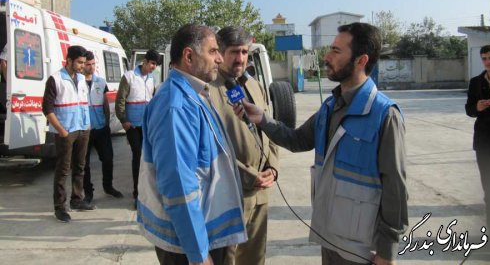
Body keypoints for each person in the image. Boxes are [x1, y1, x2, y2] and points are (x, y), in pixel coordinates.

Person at [234, 23, 408, 265]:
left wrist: (387, 252)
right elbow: (296, 140)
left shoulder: (384, 115)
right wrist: (262, 119)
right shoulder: (330, 107)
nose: (327, 57)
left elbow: (395, 189)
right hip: (329, 237)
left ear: (361, 60)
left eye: (336, 51)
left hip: (362, 247)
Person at [137, 24, 246, 265]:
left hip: (204, 231)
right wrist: (198, 254)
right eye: (213, 51)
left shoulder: (194, 93)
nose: (220, 58)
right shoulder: (175, 106)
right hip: (186, 244)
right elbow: (178, 187)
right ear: (189, 56)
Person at [210, 26, 279, 265]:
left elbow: (269, 130)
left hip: (262, 189)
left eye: (244, 52)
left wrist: (273, 167)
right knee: (230, 257)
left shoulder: (254, 86)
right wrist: (249, 175)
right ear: (219, 53)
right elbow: (212, 148)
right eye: (233, 52)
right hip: (232, 192)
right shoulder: (209, 91)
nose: (240, 58)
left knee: (254, 256)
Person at [42, 45, 96, 223]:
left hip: (82, 129)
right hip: (66, 132)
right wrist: (62, 131)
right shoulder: (55, 79)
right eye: (79, 62)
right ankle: (59, 207)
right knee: (63, 169)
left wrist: (87, 126)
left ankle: (77, 200)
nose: (82, 66)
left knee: (80, 167)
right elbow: (47, 109)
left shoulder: (81, 79)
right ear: (70, 61)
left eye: (84, 62)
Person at [115, 49, 160, 208]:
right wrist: (123, 120)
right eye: (152, 63)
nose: (154, 67)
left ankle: (147, 191)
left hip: (147, 125)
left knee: (147, 158)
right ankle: (137, 193)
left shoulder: (151, 79)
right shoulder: (129, 77)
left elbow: (153, 99)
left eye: (156, 65)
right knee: (137, 155)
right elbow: (120, 100)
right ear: (146, 61)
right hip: (132, 125)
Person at [465, 44, 490, 243]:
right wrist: (476, 107)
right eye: (484, 58)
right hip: (485, 143)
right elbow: (469, 109)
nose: (488, 62)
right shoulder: (476, 82)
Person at [82, 51, 123, 203]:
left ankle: (108, 186)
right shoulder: (77, 82)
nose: (91, 67)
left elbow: (105, 103)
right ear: (82, 65)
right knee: (83, 163)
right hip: (84, 129)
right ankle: (88, 192)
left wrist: (106, 123)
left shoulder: (100, 82)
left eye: (93, 64)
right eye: (88, 64)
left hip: (101, 128)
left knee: (108, 159)